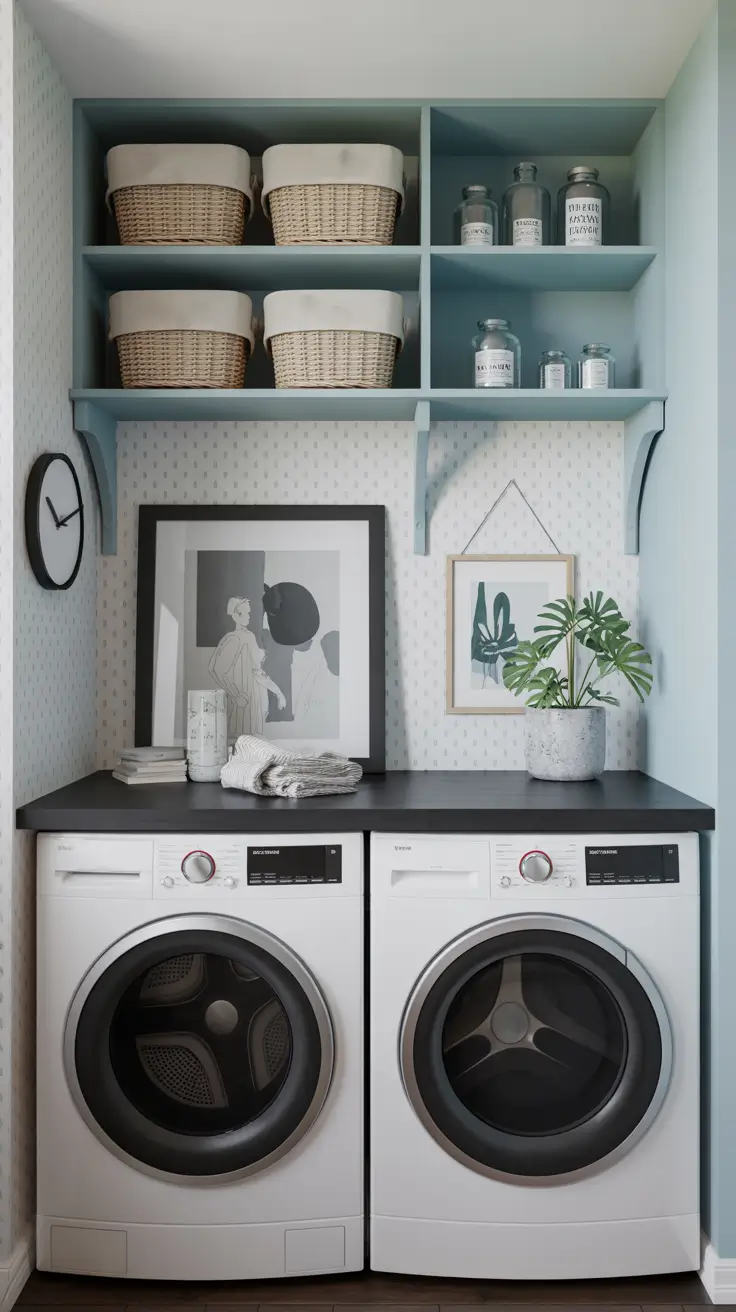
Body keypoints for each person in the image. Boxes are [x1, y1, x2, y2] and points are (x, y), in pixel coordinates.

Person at [208, 596, 286, 740]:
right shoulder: (235, 639)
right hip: (245, 707)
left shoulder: (248, 636)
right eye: (247, 613)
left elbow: (257, 673)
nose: (250, 617)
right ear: (236, 615)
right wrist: (235, 694)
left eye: (250, 613)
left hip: (254, 704)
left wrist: (277, 691)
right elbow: (216, 669)